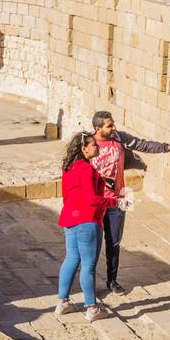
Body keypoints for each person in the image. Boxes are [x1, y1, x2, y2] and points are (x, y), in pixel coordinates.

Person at [90, 111, 170, 295]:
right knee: (92, 244)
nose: (113, 128)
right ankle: (89, 282)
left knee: (114, 242)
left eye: (113, 124)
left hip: (119, 198)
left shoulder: (119, 138)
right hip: (96, 201)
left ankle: (112, 280)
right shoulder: (88, 143)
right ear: (97, 128)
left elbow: (143, 144)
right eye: (109, 126)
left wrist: (166, 147)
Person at [56, 132, 118, 323]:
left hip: (70, 219)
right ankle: (92, 307)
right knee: (88, 265)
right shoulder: (87, 170)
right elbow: (92, 199)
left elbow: (68, 194)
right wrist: (112, 202)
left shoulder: (68, 167)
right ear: (84, 149)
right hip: (87, 221)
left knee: (71, 259)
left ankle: (63, 302)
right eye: (94, 145)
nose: (97, 147)